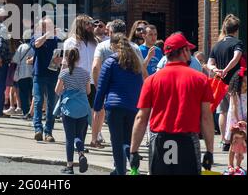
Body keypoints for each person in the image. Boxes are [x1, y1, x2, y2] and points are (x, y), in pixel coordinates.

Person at [130, 33, 215, 175]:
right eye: (188, 49)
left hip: (160, 140)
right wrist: (209, 150)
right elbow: (206, 117)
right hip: (187, 141)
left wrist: (134, 150)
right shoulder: (200, 79)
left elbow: (141, 117)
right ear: (183, 51)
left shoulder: (151, 80)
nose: (190, 53)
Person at [90, 19, 146, 148]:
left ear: (110, 32)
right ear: (125, 32)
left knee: (114, 132)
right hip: (132, 97)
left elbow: (95, 68)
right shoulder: (135, 47)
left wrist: (100, 88)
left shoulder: (102, 46)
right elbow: (142, 71)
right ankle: (130, 154)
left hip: (112, 96)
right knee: (128, 132)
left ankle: (95, 139)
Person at [94, 33, 144, 175]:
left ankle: (121, 172)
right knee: (128, 140)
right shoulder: (135, 64)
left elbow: (102, 86)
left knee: (117, 142)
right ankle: (134, 168)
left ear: (113, 46)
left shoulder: (110, 62)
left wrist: (97, 107)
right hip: (132, 107)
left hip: (115, 107)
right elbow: (140, 86)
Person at [207, 14, 243, 151]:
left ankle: (224, 141)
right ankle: (234, 140)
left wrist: (217, 70)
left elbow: (210, 64)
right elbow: (237, 57)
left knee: (222, 112)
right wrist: (226, 69)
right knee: (235, 110)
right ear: (236, 30)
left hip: (220, 83)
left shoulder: (217, 46)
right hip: (235, 83)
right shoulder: (237, 43)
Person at [54, 48, 91, 174]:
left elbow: (57, 91)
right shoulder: (85, 73)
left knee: (69, 138)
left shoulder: (64, 73)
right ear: (78, 58)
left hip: (69, 107)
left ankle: (69, 166)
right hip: (82, 107)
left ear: (66, 58)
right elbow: (88, 91)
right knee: (79, 135)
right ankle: (81, 154)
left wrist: (66, 91)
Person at [30, 16, 61, 142]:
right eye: (45, 26)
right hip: (39, 74)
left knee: (51, 104)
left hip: (52, 74)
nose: (47, 29)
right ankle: (38, 129)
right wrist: (46, 35)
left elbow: (61, 56)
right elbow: (36, 45)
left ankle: (48, 131)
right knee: (38, 101)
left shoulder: (57, 40)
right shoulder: (36, 37)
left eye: (49, 26)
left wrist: (59, 61)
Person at [62, 15, 97, 108]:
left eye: (92, 23)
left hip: (92, 81)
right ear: (80, 25)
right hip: (76, 81)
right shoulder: (70, 42)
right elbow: (65, 63)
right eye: (87, 24)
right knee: (77, 110)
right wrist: (61, 81)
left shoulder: (95, 42)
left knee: (91, 109)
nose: (91, 26)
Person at [224, 67, 247, 175]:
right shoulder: (234, 93)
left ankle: (238, 165)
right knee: (233, 145)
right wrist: (238, 121)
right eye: (244, 82)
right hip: (235, 120)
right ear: (238, 82)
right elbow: (234, 107)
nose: (245, 85)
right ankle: (230, 164)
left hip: (244, 121)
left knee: (241, 145)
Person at [11, 30, 34, 117]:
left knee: (23, 94)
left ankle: (25, 112)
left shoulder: (21, 47)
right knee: (33, 95)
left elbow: (15, 60)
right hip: (33, 74)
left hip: (22, 74)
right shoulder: (35, 47)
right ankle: (33, 112)